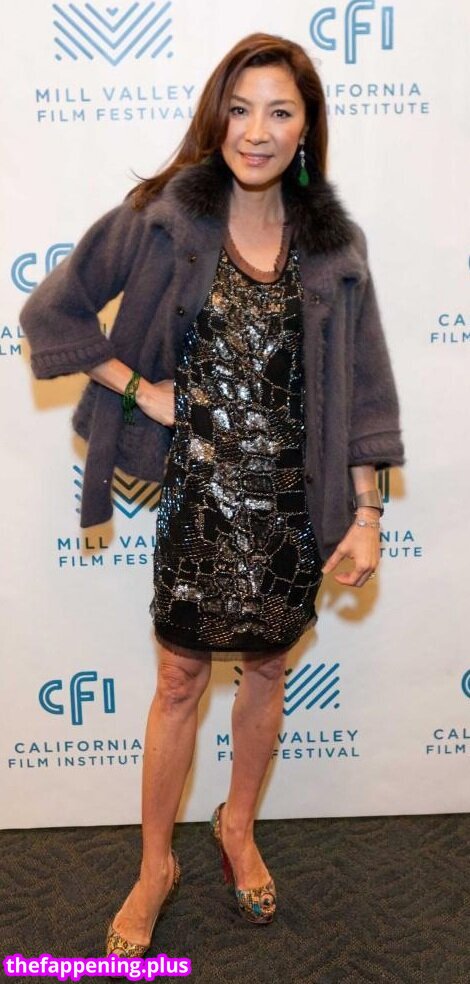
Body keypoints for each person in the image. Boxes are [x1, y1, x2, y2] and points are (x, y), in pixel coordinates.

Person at [20, 32, 405, 954]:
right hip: (197, 504)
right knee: (178, 680)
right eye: (239, 109)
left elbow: (363, 392)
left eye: (279, 111)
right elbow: (51, 311)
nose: (255, 131)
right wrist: (137, 388)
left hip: (290, 514)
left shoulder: (335, 246)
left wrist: (366, 515)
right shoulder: (164, 220)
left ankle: (237, 826)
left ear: (307, 127)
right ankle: (156, 863)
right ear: (216, 118)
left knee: (268, 672)